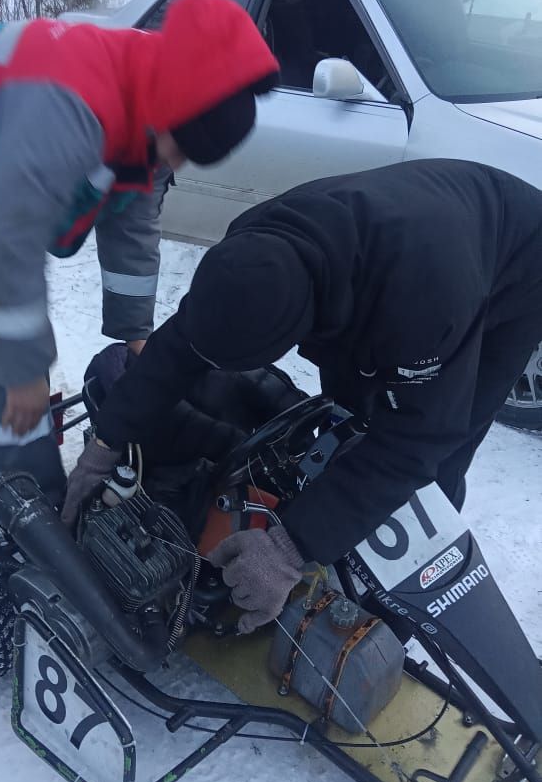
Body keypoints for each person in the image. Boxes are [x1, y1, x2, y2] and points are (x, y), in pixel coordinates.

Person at [62, 159, 542, 631]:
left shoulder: (425, 305)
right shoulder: (253, 247)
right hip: (403, 238)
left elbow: (419, 440)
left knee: (441, 450)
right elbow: (180, 347)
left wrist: (288, 550)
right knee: (351, 414)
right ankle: (338, 528)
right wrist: (107, 442)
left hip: (516, 264)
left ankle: (405, 588)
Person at [0, 0, 280, 499]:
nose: (179, 164)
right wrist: (20, 372)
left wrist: (136, 334)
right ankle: (32, 507)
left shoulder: (164, 89)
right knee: (0, 338)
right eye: (180, 149)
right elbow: (11, 239)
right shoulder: (74, 103)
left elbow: (134, 222)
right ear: (171, 116)